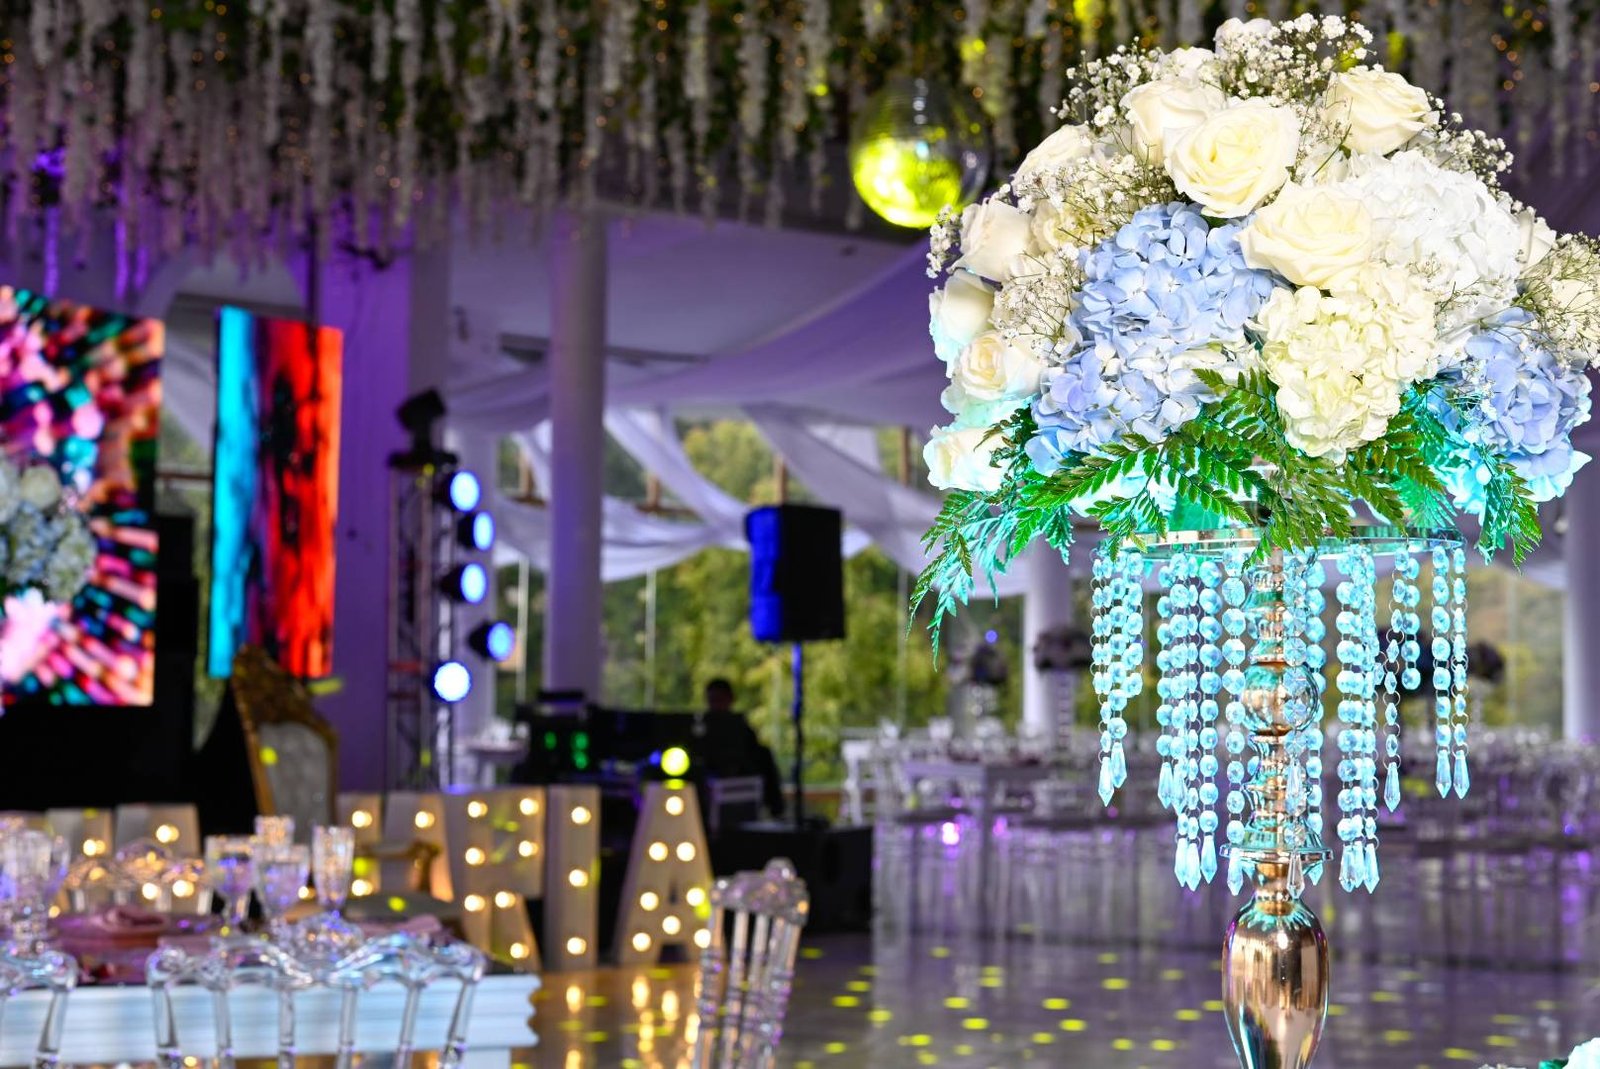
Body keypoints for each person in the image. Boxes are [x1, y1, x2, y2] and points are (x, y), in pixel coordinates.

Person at [700, 678, 786, 819]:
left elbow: (755, 753)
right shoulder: (702, 728)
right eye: (712, 700)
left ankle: (777, 812)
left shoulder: (740, 728)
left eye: (719, 699)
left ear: (730, 699)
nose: (716, 705)